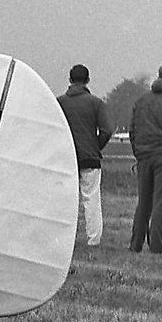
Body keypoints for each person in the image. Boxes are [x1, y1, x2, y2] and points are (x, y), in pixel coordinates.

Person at [57, 64, 111, 247]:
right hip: (90, 157)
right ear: (88, 80)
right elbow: (107, 129)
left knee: (65, 201)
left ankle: (62, 240)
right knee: (91, 200)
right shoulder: (96, 103)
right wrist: (96, 146)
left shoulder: (59, 103)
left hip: (66, 157)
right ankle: (93, 239)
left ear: (70, 80)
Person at [130, 64, 162, 254]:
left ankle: (135, 244)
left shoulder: (142, 101)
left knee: (143, 202)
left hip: (143, 156)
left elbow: (132, 131)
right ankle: (156, 247)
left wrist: (139, 153)